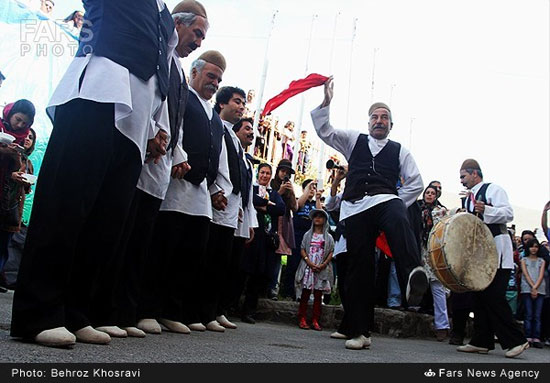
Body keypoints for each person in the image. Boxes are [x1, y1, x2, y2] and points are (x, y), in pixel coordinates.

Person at [11, 0, 175, 348]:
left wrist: (156, 127)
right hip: (98, 88)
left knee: (106, 220)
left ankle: (76, 311)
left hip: (138, 114)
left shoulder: (163, 14)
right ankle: (39, 312)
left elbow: (162, 69)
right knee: (66, 204)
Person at [92, 0, 207, 338]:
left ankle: (124, 311)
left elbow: (176, 119)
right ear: (177, 24)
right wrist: (156, 134)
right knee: (119, 237)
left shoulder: (178, 70)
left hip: (159, 164)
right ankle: (106, 308)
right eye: (196, 33)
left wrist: (176, 147)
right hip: (140, 152)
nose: (198, 42)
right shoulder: (160, 56)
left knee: (138, 242)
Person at [311, 78, 427, 350]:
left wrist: (397, 199)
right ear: (368, 123)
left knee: (398, 214)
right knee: (360, 268)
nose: (379, 120)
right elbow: (325, 130)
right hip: (353, 209)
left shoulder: (400, 150)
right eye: (374, 117)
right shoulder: (354, 140)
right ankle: (360, 332)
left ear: (390, 125)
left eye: (384, 117)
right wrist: (326, 102)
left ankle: (412, 274)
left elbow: (416, 183)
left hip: (385, 199)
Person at [144, 50, 226, 334]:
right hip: (177, 183)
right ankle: (149, 309)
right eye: (210, 76)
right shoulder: (184, 98)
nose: (214, 83)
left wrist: (216, 187)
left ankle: (172, 309)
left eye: (218, 79)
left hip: (201, 191)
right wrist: (178, 155)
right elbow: (173, 128)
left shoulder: (214, 117)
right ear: (194, 73)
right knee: (166, 247)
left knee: (192, 252)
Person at [456, 159, 529, 358]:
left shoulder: (493, 189)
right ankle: (481, 341)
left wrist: (486, 210)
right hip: (479, 254)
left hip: (498, 251)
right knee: (480, 296)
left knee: (494, 296)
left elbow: (508, 213)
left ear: (475, 173)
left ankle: (517, 340)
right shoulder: (466, 199)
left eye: (463, 176)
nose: (461, 181)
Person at [195, 86, 247, 333]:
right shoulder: (215, 125)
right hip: (215, 201)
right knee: (208, 258)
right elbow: (215, 161)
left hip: (231, 207)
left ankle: (214, 310)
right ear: (222, 104)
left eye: (243, 104)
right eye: (237, 102)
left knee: (222, 263)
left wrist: (238, 205)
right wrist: (217, 189)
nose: (241, 107)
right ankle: (199, 311)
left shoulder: (234, 137)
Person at [220, 117, 257, 325]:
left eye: (253, 129)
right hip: (226, 210)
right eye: (247, 129)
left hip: (240, 216)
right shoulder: (229, 145)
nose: (251, 133)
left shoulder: (247, 160)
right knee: (223, 262)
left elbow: (248, 194)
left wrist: (250, 221)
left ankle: (221, 309)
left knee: (234, 265)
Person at [240, 163, 285, 323]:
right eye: (262, 173)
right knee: (243, 271)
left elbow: (281, 209)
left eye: (267, 173)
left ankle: (249, 311)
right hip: (251, 235)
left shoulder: (273, 193)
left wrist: (263, 207)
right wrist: (266, 204)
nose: (264, 176)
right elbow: (251, 200)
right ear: (258, 174)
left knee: (258, 276)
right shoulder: (252, 188)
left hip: (266, 239)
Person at [0, 101, 35, 291]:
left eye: (25, 123)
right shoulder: (2, 130)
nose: (20, 125)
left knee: (5, 239)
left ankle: (1, 274)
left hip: (11, 198)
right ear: (10, 114)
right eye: (18, 119)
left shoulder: (25, 142)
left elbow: (26, 165)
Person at [408, 185, 450, 341]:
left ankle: (442, 326)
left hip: (434, 253)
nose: (430, 195)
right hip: (417, 250)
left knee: (437, 288)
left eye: (433, 193)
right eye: (428, 192)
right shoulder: (416, 209)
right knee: (414, 283)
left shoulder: (441, 212)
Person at [295, 209, 334, 331]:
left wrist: (324, 264)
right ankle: (302, 317)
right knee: (305, 293)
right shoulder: (308, 235)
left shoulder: (328, 237)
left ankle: (315, 319)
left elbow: (331, 251)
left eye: (320, 217)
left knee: (318, 295)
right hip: (308, 266)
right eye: (315, 216)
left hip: (321, 267)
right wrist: (309, 262)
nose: (317, 219)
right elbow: (302, 249)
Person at [281, 179, 320, 300]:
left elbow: (320, 214)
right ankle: (288, 292)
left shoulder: (314, 203)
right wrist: (307, 189)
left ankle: (304, 293)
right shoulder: (300, 200)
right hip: (297, 235)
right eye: (310, 188)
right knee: (293, 264)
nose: (312, 191)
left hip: (310, 237)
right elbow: (297, 206)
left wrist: (318, 197)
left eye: (314, 188)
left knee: (308, 266)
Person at [269, 159, 298, 300]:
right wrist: (279, 192)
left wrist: (291, 192)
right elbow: (268, 201)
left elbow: (295, 207)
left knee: (279, 257)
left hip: (285, 222)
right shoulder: (272, 184)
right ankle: (267, 286)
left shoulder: (289, 188)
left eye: (287, 173)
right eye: (282, 171)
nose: (284, 175)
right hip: (273, 222)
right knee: (269, 255)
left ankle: (274, 287)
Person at [520, 238, 546, 348]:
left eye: (536, 246)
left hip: (540, 289)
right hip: (526, 288)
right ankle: (527, 336)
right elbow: (525, 274)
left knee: (537, 315)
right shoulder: (523, 260)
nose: (534, 249)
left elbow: (541, 275)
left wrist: (535, 288)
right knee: (529, 314)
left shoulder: (542, 261)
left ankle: (536, 337)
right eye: (531, 246)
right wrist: (532, 287)